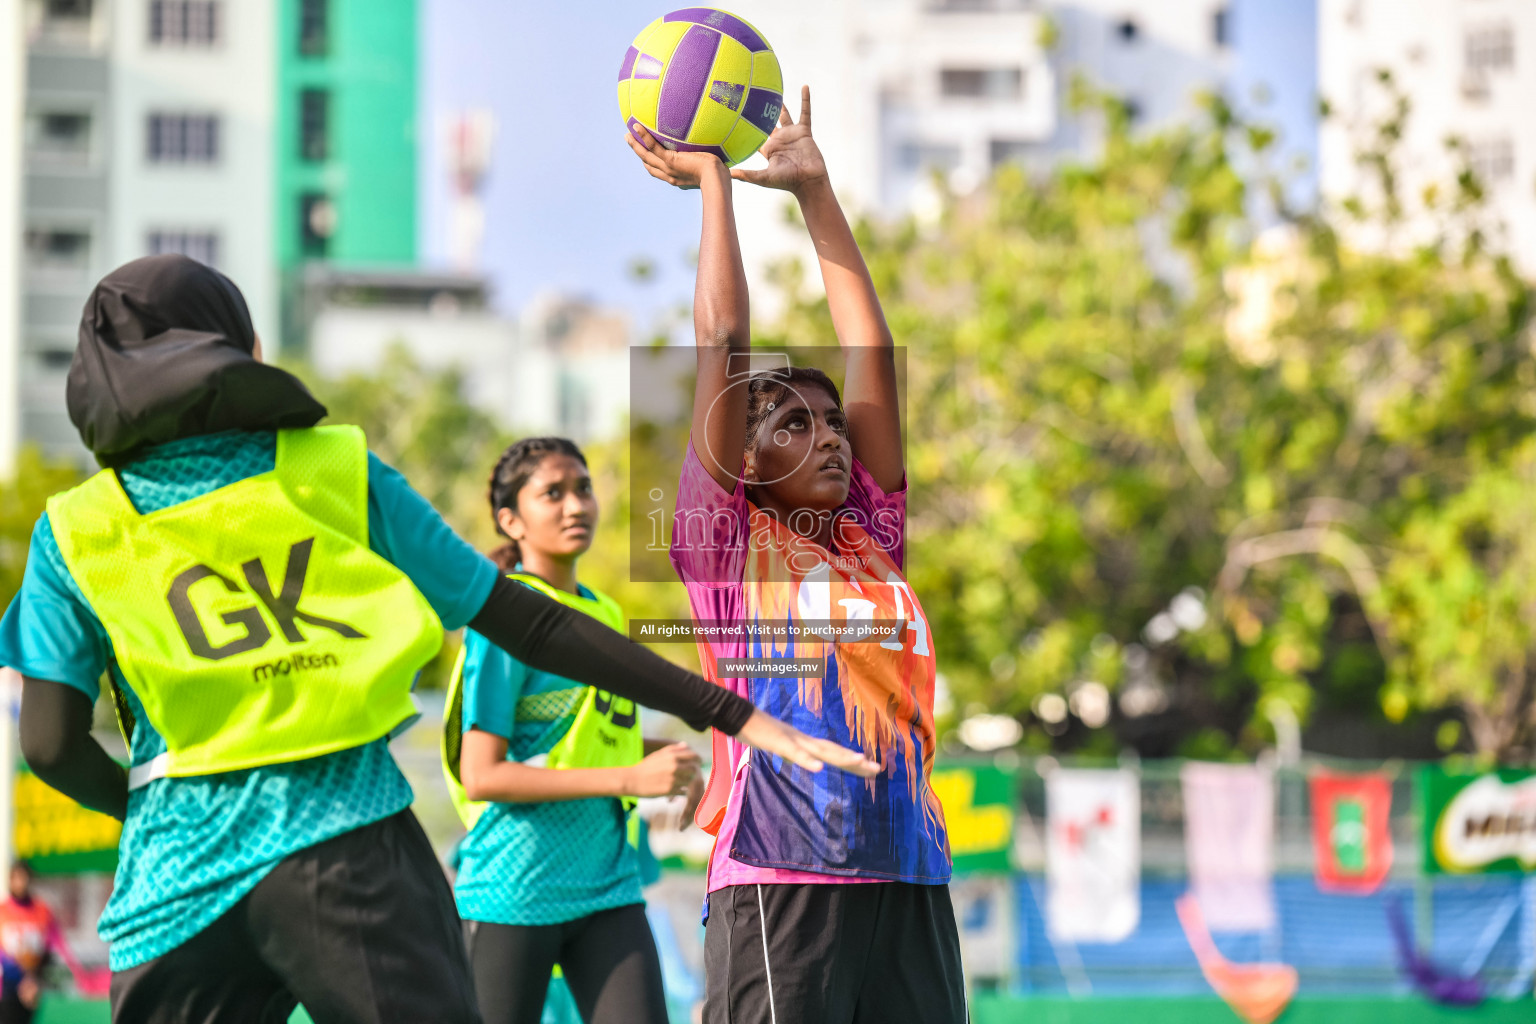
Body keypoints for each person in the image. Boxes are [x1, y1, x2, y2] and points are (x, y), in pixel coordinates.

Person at [0, 255, 879, 1024]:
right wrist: (729, 711)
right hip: (346, 846)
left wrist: (150, 808)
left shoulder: (76, 529)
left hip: (176, 874)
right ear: (236, 351)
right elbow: (526, 619)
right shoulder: (330, 466)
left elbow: (46, 742)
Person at [628, 87, 966, 1023]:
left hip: (908, 868)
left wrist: (815, 191)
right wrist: (711, 184)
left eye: (831, 422)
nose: (827, 436)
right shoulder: (725, 546)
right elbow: (723, 342)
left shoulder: (872, 538)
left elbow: (872, 351)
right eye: (791, 421)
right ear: (741, 455)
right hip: (782, 873)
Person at [442, 436, 702, 1024]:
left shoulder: (605, 612)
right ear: (512, 521)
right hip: (515, 889)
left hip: (608, 885)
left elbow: (591, 742)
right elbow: (482, 774)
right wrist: (630, 777)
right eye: (552, 493)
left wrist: (673, 761)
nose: (575, 505)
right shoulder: (503, 617)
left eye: (583, 488)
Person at [0, 862, 96, 1024]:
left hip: (34, 986)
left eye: (24, 878)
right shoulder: (3, 912)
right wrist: (22, 980)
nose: (20, 883)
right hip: (8, 987)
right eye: (16, 878)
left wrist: (33, 979)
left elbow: (53, 947)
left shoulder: (41, 911)